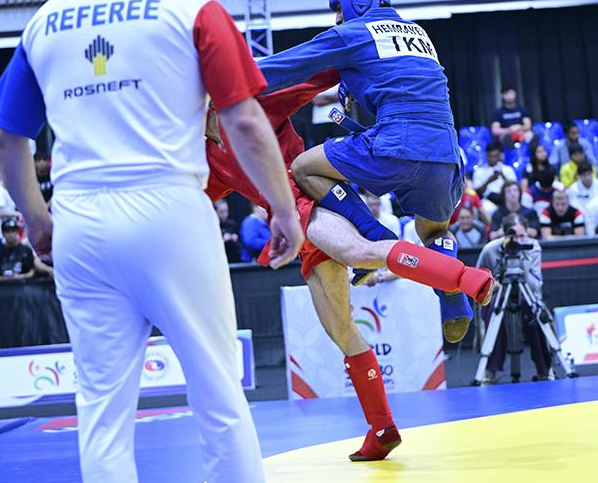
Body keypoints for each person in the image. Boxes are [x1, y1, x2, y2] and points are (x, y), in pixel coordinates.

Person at [0, 0, 307, 480]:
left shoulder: (45, 20)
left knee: (102, 410)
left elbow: (6, 140)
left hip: (79, 217)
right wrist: (282, 207)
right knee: (217, 389)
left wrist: (37, 220)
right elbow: (245, 121)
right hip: (168, 211)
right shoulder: (192, 6)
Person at [205, 72, 496, 461]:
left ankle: (465, 278)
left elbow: (310, 75)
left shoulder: (253, 106)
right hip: (293, 231)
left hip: (312, 200)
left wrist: (350, 75)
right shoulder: (202, 157)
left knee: (359, 251)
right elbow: (187, 197)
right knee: (341, 330)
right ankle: (382, 429)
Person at [255, 0, 481, 343]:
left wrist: (219, 80)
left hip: (396, 144)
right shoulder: (419, 34)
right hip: (446, 154)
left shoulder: (353, 32)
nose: (337, 19)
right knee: (434, 232)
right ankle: (452, 295)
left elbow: (285, 66)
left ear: (358, 1)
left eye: (339, 9)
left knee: (302, 168)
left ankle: (376, 238)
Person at [476, 214, 550, 383]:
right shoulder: (490, 249)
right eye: (513, 236)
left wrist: (523, 261)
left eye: (522, 236)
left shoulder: (533, 246)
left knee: (535, 311)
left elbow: (535, 284)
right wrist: (493, 284)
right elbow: (478, 277)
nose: (518, 241)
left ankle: (544, 369)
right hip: (499, 292)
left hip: (526, 292)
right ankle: (491, 370)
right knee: (493, 308)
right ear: (504, 235)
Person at [472, 141, 517, 215]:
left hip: (506, 199)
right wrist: (489, 181)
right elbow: (476, 193)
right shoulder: (479, 172)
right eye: (491, 156)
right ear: (486, 155)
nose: (493, 159)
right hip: (489, 200)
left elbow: (515, 187)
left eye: (496, 156)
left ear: (500, 155)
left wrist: (503, 177)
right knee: (485, 207)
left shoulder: (507, 169)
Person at [214, 199, 243, 263]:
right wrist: (222, 240)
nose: (225, 214)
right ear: (215, 212)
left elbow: (242, 245)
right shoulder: (212, 227)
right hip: (219, 259)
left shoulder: (232, 224)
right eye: (221, 211)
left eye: (226, 211)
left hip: (235, 259)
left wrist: (236, 239)